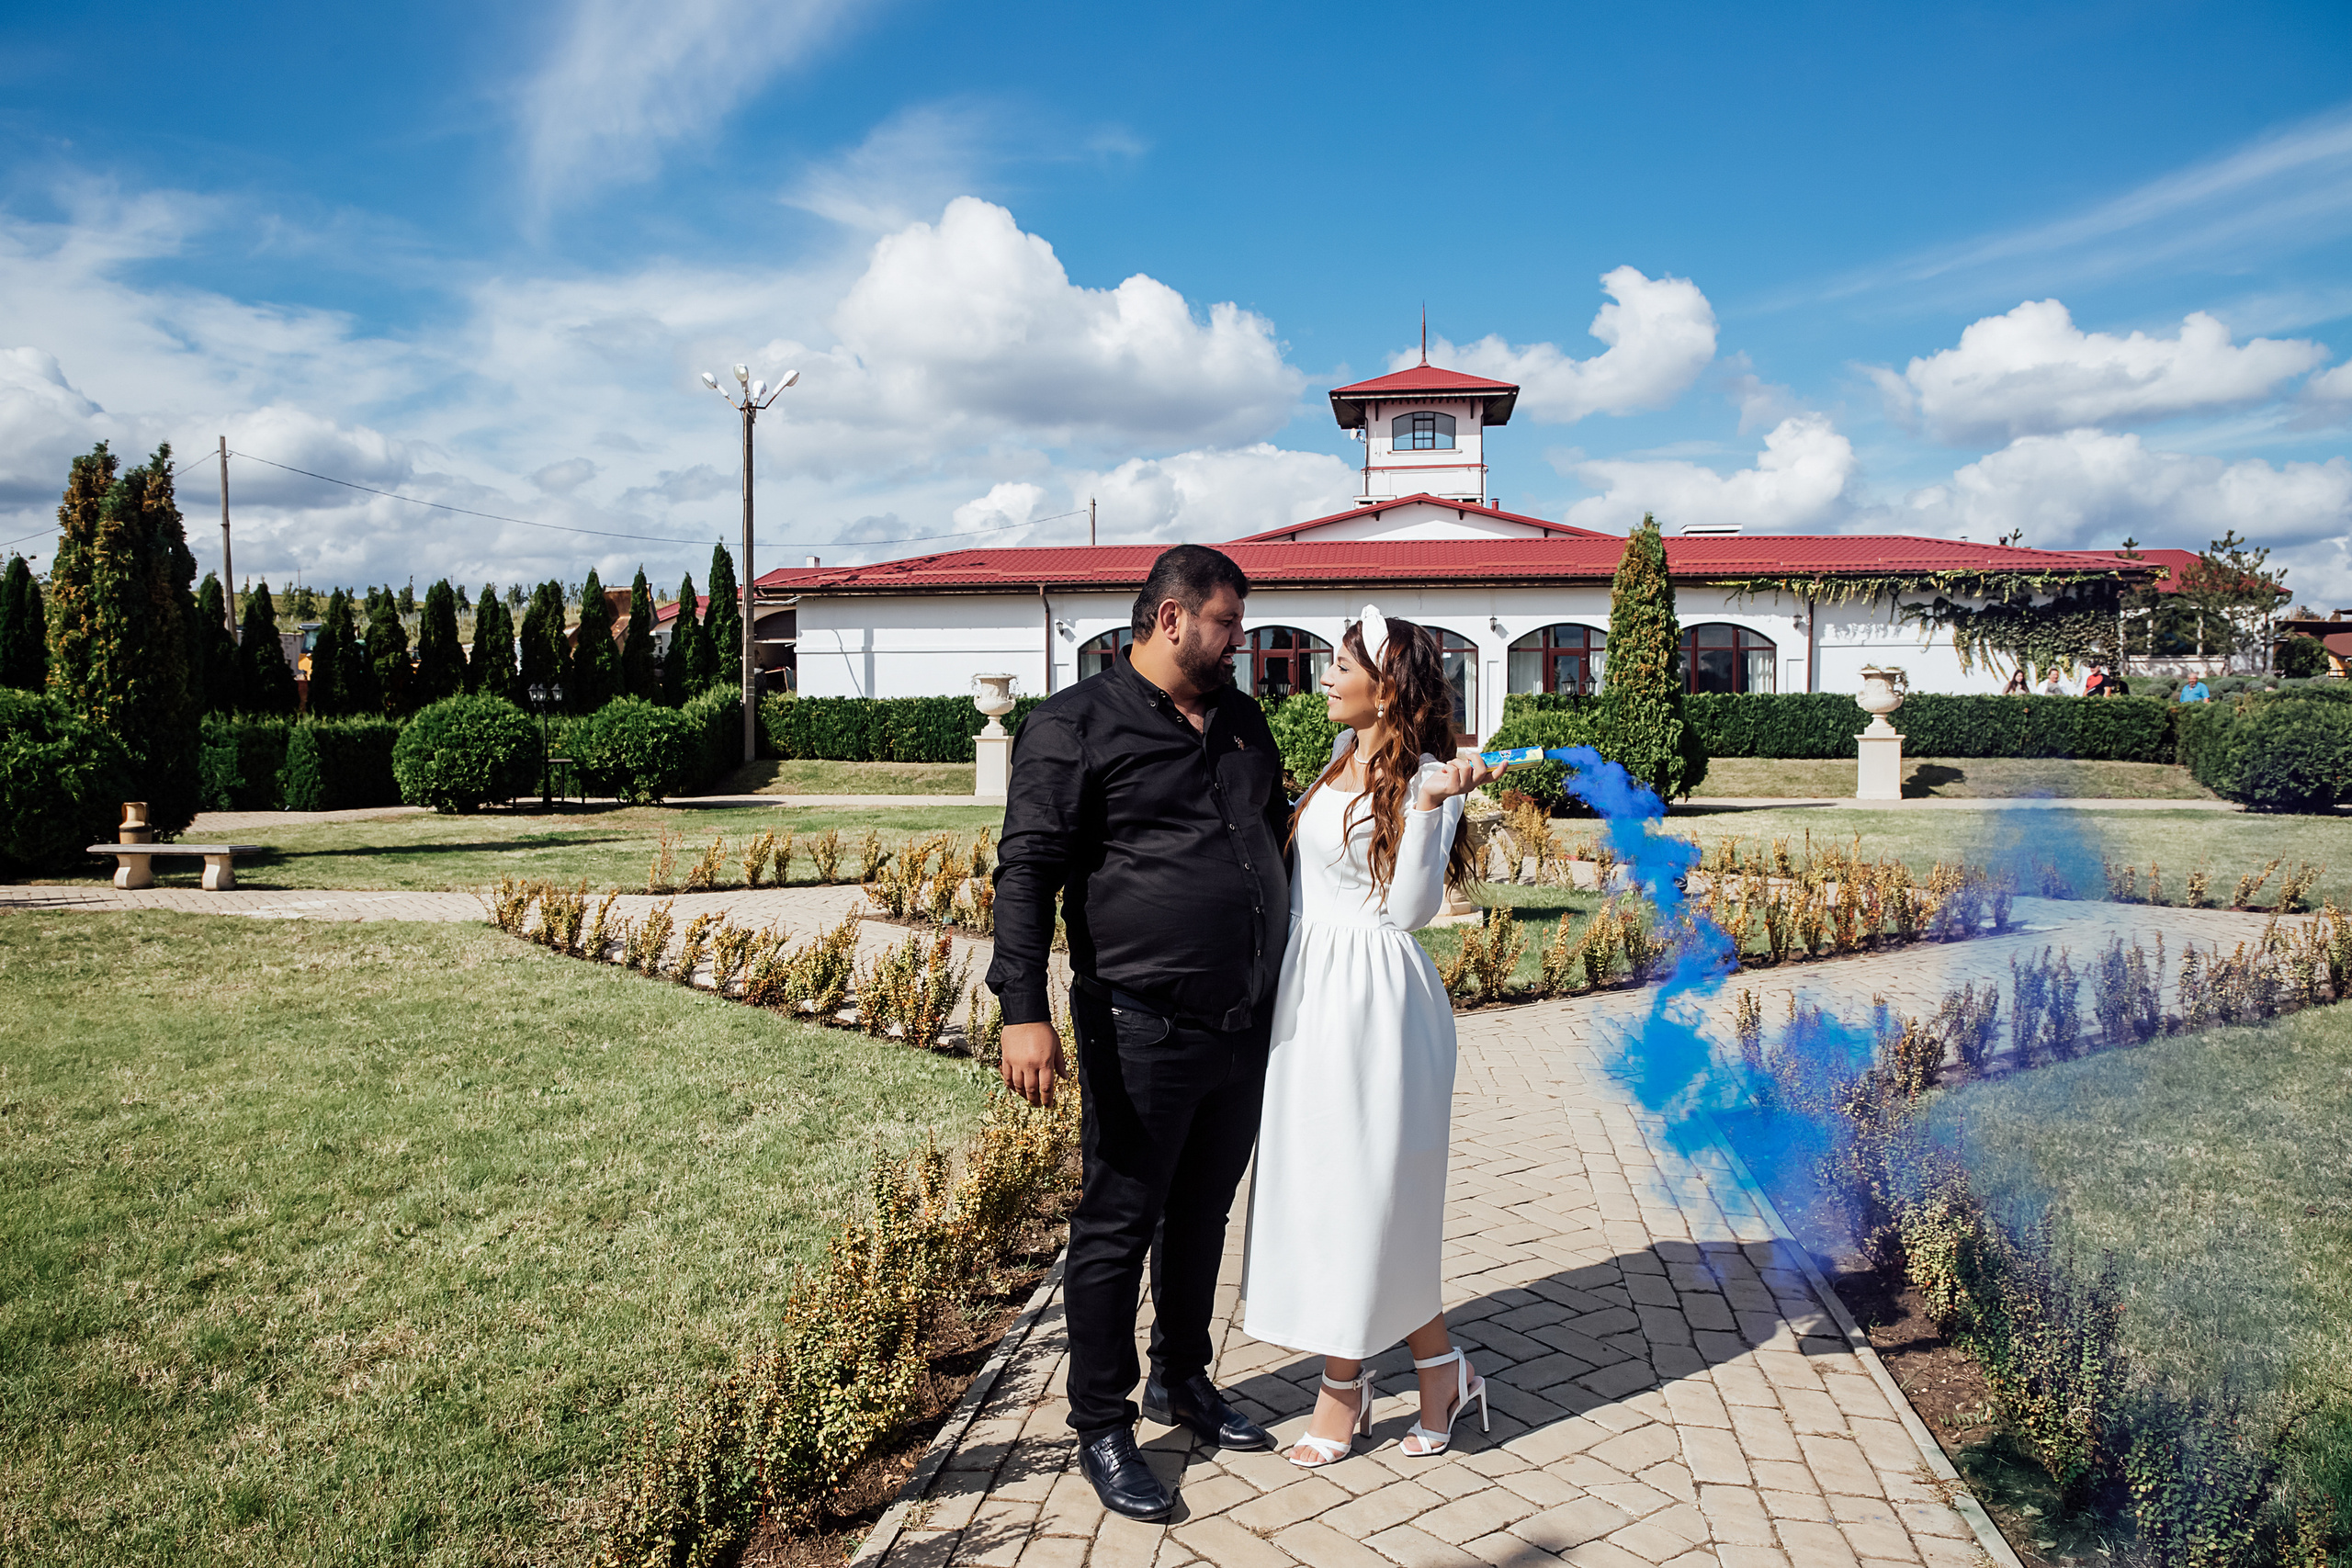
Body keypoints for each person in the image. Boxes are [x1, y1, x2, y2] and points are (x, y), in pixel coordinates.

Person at [988, 544, 1285, 1522]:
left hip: (1241, 1021)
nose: (1240, 642)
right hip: (1136, 1022)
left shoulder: (1243, 723)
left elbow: (1275, 845)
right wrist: (1021, 1009)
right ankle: (1103, 1425)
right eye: (1228, 625)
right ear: (1169, 619)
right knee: (1117, 1225)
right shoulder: (1072, 727)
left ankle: (1182, 1379)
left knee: (1203, 1213)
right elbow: (1027, 872)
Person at [1243, 607, 1506, 1468]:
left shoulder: (1428, 778)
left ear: (1385, 687)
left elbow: (1408, 912)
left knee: (1369, 1195)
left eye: (1340, 664)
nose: (1323, 676)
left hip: (1380, 1007)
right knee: (1333, 1191)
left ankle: (1340, 1393)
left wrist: (1434, 809)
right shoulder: (1335, 762)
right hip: (1310, 996)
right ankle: (1440, 1370)